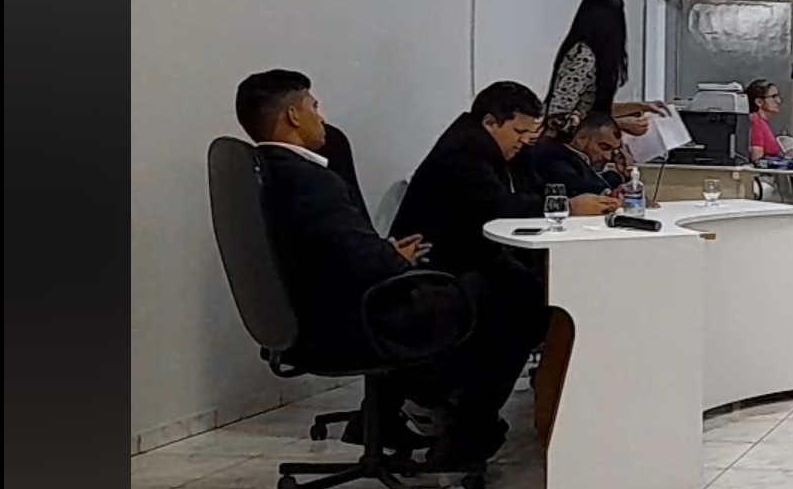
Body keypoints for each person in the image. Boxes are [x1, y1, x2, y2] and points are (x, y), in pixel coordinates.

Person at [392, 82, 616, 466]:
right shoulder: (464, 152)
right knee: (523, 308)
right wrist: (566, 208)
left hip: (470, 259)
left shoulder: (501, 149)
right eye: (519, 132)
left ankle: (462, 411)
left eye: (531, 132)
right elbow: (498, 208)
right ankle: (464, 421)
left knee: (535, 295)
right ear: (490, 122)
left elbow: (535, 191)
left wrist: (574, 200)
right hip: (434, 272)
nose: (526, 141)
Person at [233, 70, 435, 448]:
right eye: (314, 107)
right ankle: (462, 432)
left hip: (307, 315)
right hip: (343, 321)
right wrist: (396, 258)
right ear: (294, 115)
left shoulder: (268, 170)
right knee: (474, 297)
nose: (321, 117)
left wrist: (385, 252)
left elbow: (338, 249)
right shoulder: (310, 180)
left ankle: (384, 417)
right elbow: (362, 263)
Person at [544, 0, 662, 141]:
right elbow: (557, 118)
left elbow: (593, 109)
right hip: (563, 146)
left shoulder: (596, 55)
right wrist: (618, 124)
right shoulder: (583, 55)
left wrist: (639, 107)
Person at [526, 111, 628, 197]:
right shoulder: (553, 156)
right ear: (581, 139)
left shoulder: (585, 164)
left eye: (613, 151)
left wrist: (623, 173)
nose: (608, 157)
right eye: (604, 147)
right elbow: (584, 189)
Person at [744, 80, 787, 163]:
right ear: (759, 102)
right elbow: (757, 159)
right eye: (773, 96)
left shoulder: (762, 122)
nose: (779, 100)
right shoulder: (756, 122)